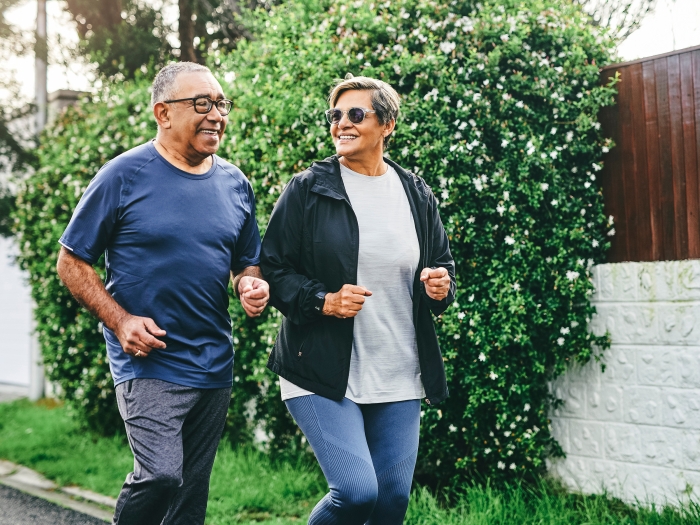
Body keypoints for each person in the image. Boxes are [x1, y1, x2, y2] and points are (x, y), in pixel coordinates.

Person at [56, 62, 269, 525]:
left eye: (221, 104)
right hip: (148, 358)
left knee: (189, 499)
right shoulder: (123, 175)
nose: (216, 114)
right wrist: (120, 320)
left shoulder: (235, 183)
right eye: (201, 104)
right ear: (163, 113)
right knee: (160, 476)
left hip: (214, 360)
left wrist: (249, 283)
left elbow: (245, 262)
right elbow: (71, 262)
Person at [260, 75, 456, 524]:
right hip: (321, 368)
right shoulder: (308, 189)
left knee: (390, 503)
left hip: (398, 370)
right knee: (355, 493)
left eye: (355, 114)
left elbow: (443, 267)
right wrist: (323, 300)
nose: (341, 124)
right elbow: (273, 268)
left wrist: (440, 287)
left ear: (386, 124)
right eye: (335, 115)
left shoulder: (416, 193)